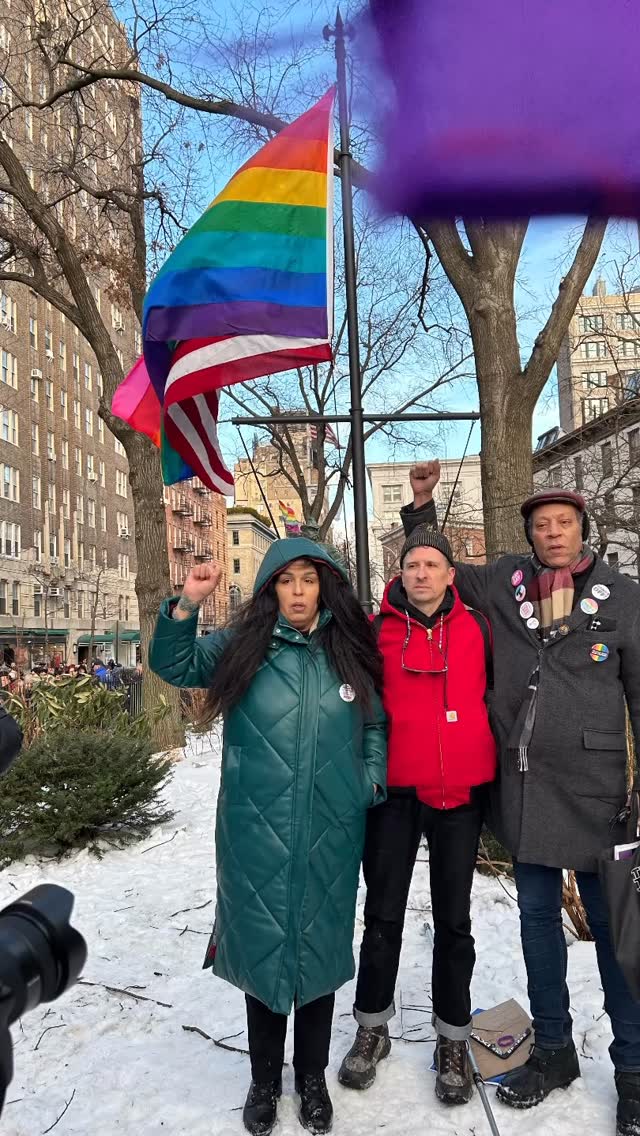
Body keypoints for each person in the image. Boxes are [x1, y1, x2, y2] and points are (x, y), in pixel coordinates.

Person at [401, 461, 640, 1136]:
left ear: (580, 529)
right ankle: (556, 1051)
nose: (553, 533)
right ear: (530, 534)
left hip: (597, 792)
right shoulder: (507, 583)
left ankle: (634, 1072)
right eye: (542, 525)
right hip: (526, 785)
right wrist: (421, 509)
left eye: (563, 523)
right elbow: (441, 566)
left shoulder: (622, 597)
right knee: (538, 924)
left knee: (615, 934)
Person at [149, 538, 387, 1136]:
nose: (299, 592)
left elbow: (375, 723)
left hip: (333, 829)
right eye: (287, 581)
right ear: (271, 590)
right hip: (254, 828)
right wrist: (186, 605)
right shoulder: (243, 647)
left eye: (309, 579)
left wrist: (368, 783)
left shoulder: (348, 650)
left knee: (320, 951)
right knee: (261, 951)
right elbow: (173, 665)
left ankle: (310, 1077)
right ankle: (263, 1079)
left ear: (325, 585)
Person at [338, 527, 496, 1105]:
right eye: (413, 565)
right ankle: (372, 1027)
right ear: (399, 573)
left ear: (452, 575)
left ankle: (452, 1039)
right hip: (396, 793)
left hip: (459, 792)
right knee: (382, 915)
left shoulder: (479, 626)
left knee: (454, 920)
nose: (422, 573)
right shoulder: (375, 630)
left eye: (433, 565)